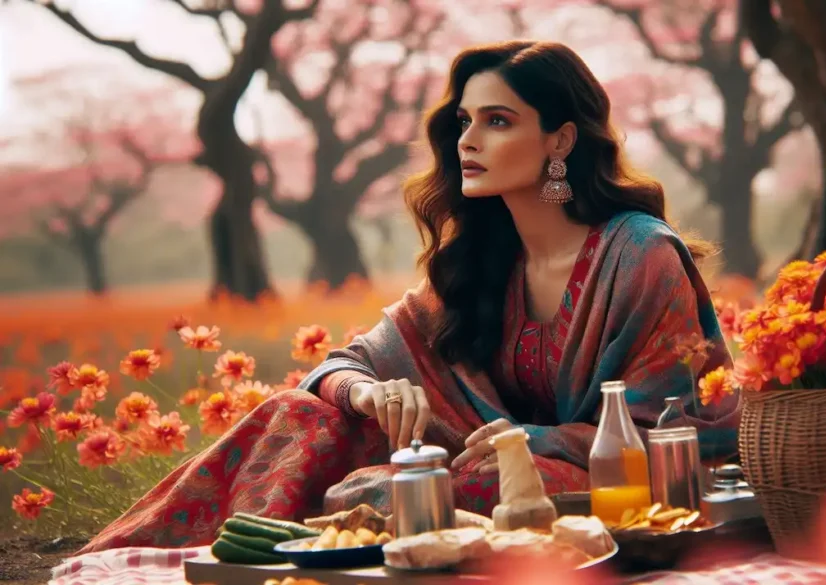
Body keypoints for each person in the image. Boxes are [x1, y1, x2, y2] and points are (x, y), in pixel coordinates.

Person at [78, 40, 741, 553]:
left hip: (615, 487)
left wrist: (531, 438)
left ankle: (325, 537)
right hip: (484, 467)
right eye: (464, 121)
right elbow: (340, 364)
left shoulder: (639, 255)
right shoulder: (480, 263)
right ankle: (188, 556)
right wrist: (370, 392)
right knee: (298, 414)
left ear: (561, 140)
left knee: (459, 485)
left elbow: (676, 429)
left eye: (498, 120)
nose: (469, 140)